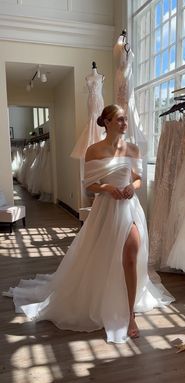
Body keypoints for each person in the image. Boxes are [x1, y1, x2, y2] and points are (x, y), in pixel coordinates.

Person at [3, 104, 174, 344]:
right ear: (107, 122)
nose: (125, 124)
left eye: (126, 120)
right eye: (121, 120)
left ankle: (130, 313)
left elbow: (138, 180)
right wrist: (108, 188)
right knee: (104, 256)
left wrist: (130, 188)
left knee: (131, 255)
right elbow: (90, 185)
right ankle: (103, 295)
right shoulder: (94, 150)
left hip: (129, 208)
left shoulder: (133, 149)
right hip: (106, 210)